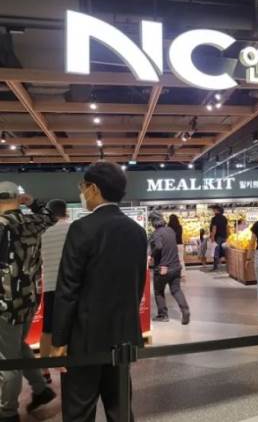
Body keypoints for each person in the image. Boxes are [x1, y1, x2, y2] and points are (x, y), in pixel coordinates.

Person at [51, 162, 148, 422]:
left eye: (82, 187)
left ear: (93, 188)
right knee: (120, 409)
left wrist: (59, 340)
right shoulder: (137, 231)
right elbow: (137, 285)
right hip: (123, 337)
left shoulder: (82, 228)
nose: (82, 192)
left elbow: (68, 287)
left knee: (79, 409)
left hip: (85, 337)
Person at [0, 182, 57, 422]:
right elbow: (50, 214)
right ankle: (41, 390)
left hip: (5, 303)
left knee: (7, 359)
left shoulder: (2, 224)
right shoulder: (32, 221)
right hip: (29, 298)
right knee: (20, 347)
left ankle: (7, 413)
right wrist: (32, 202)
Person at [38, 199, 71, 385]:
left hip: (50, 284)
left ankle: (44, 371)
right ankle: (69, 365)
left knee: (47, 328)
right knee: (71, 326)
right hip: (69, 285)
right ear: (65, 212)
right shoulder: (72, 229)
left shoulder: (43, 231)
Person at [149, 211, 190, 324]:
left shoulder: (156, 234)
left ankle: (163, 315)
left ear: (153, 222)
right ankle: (185, 310)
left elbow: (158, 246)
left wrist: (151, 255)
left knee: (158, 291)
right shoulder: (171, 230)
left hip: (163, 268)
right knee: (176, 290)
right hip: (176, 267)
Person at [209, 205, 229, 271]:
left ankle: (215, 267)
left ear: (217, 210)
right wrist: (228, 236)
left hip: (218, 237)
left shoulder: (214, 218)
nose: (213, 211)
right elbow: (227, 228)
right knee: (224, 252)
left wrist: (212, 237)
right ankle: (228, 266)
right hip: (224, 237)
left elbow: (214, 228)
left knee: (216, 251)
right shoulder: (224, 218)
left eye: (214, 210)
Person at [168, 214, 186, 280]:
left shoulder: (169, 227)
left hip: (172, 245)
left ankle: (173, 275)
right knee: (181, 260)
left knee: (172, 261)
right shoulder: (180, 226)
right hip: (180, 244)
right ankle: (183, 275)